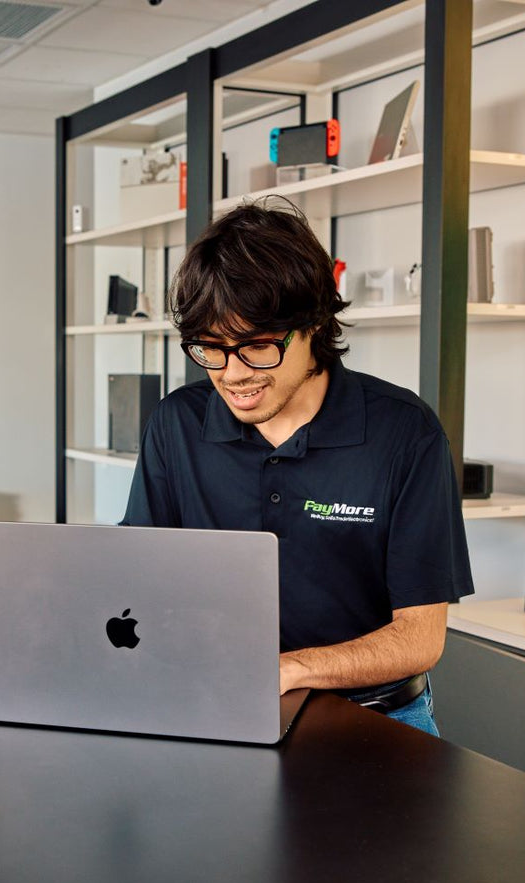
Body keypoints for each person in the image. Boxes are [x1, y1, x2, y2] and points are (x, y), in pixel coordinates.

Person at [122, 200, 473, 735]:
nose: (233, 374)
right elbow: (137, 580)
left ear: (312, 323)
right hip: (215, 703)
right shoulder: (175, 425)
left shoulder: (405, 434)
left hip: (375, 720)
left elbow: (421, 638)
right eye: (210, 349)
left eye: (257, 347)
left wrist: (289, 669)